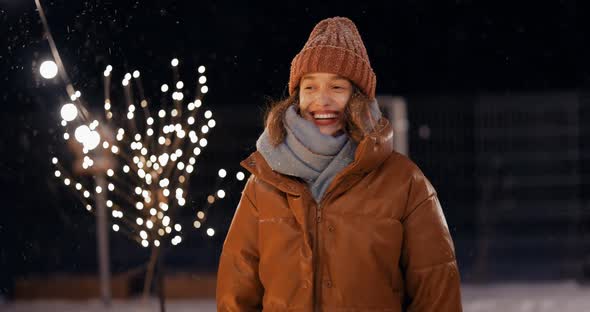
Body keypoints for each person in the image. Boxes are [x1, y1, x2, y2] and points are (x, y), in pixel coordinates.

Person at [216, 16, 462, 311]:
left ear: (357, 97)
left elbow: (435, 291)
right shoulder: (264, 182)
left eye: (336, 87)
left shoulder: (405, 181)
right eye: (310, 87)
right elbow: (236, 291)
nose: (322, 100)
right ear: (296, 97)